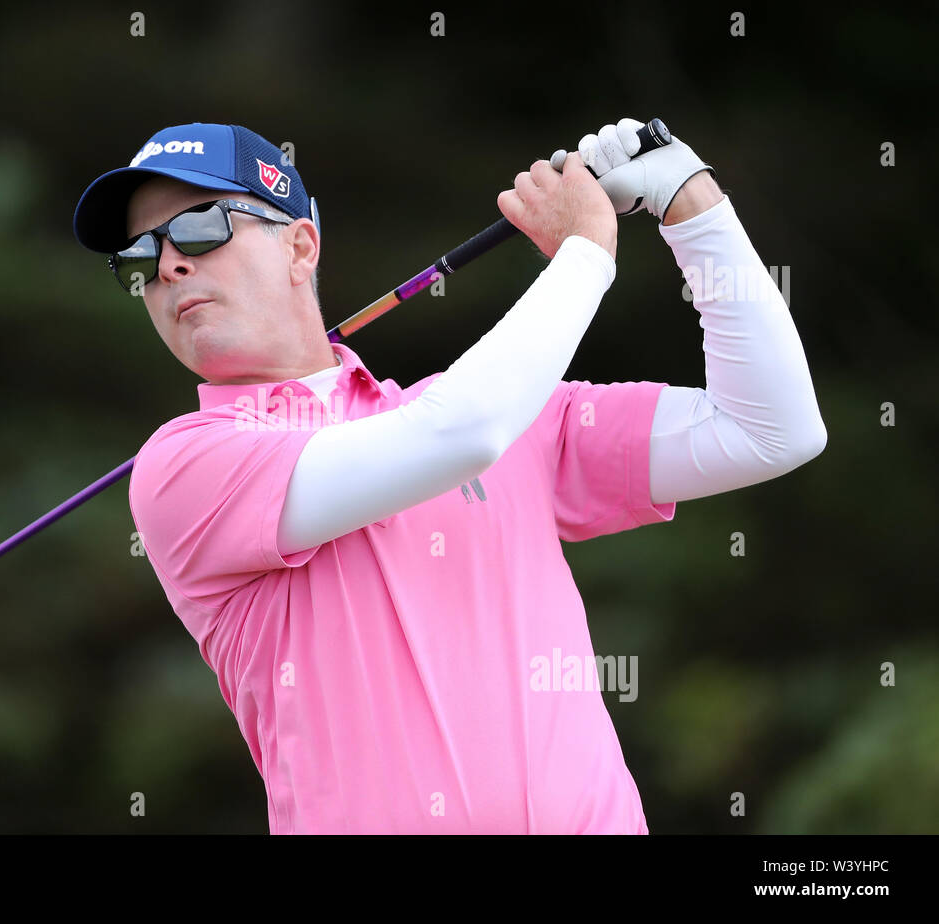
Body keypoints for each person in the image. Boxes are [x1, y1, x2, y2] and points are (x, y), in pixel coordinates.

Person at [72, 120, 826, 834]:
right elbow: (457, 437)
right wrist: (585, 254)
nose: (168, 266)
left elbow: (770, 430)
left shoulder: (498, 413)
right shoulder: (185, 464)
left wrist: (689, 203)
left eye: (202, 228)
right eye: (140, 258)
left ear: (300, 247)